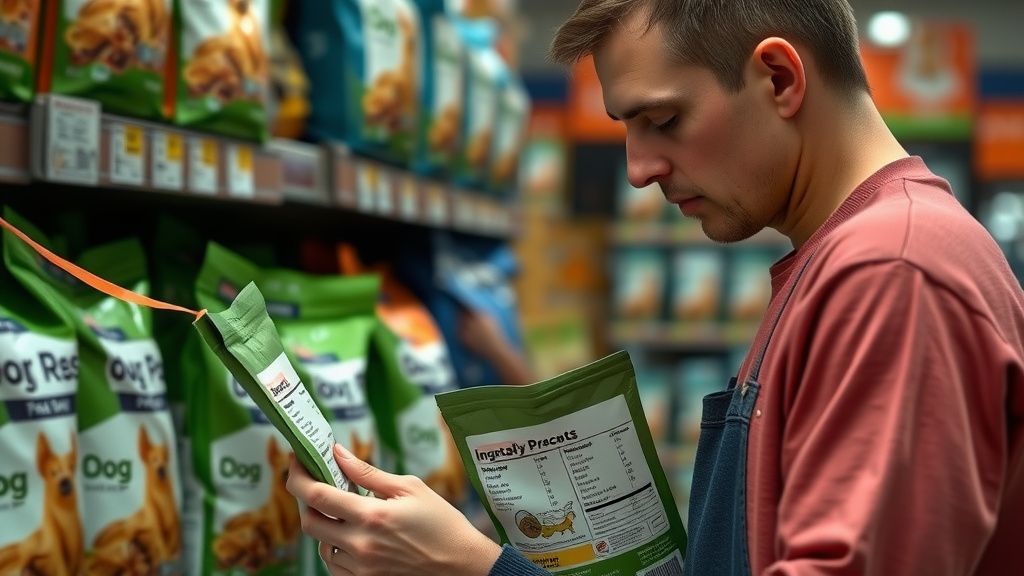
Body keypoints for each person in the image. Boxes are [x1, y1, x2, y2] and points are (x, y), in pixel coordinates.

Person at [286, 1, 1024, 574]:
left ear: (780, 78)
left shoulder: (892, 272)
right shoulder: (838, 261)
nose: (638, 169)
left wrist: (481, 570)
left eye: (663, 120)